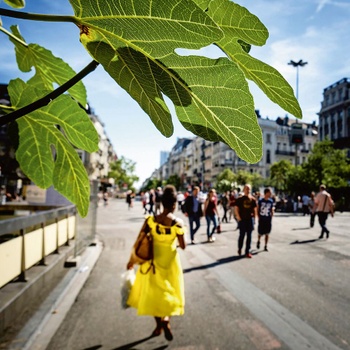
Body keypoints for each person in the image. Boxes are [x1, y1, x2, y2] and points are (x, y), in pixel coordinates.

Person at [126, 185, 186, 341]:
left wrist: (131, 260)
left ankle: (159, 325)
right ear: (174, 204)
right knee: (170, 291)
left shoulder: (151, 220)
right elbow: (183, 245)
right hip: (170, 261)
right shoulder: (177, 223)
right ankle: (166, 319)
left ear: (161, 202)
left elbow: (139, 239)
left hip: (152, 260)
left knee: (153, 293)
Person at [234, 184, 257, 258]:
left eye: (249, 189)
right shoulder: (239, 199)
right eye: (246, 189)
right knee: (242, 235)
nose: (248, 190)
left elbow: (255, 210)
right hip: (242, 220)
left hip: (250, 219)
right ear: (243, 190)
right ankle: (240, 248)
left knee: (249, 236)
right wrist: (239, 218)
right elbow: (236, 209)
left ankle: (247, 251)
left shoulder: (253, 199)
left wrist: (254, 219)